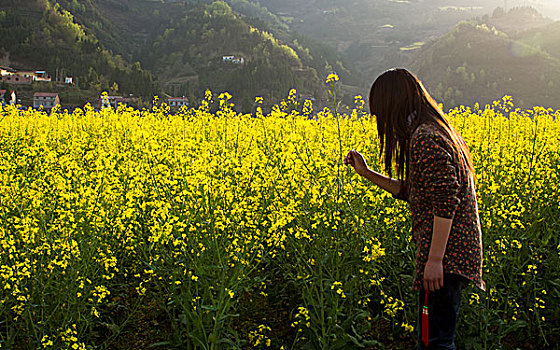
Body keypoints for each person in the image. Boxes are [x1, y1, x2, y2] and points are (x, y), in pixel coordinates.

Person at [344, 68, 485, 349]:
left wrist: (434, 261)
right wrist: (367, 172)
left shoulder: (425, 137)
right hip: (448, 254)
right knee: (428, 338)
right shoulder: (431, 131)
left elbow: (446, 200)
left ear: (392, 105)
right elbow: (415, 192)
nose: (378, 121)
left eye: (379, 112)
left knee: (435, 341)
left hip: (447, 257)